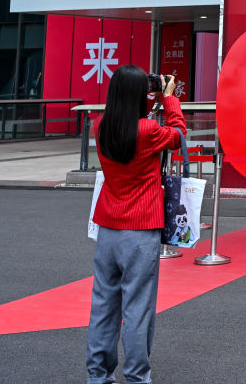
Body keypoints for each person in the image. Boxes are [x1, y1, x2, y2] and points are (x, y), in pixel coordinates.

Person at [86, 66, 184, 384]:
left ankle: (98, 375)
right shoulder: (148, 131)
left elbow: (131, 121)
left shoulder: (101, 125)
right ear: (139, 95)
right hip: (140, 230)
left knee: (104, 304)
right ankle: (137, 377)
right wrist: (168, 99)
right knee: (138, 309)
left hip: (108, 227)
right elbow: (178, 134)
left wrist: (152, 100)